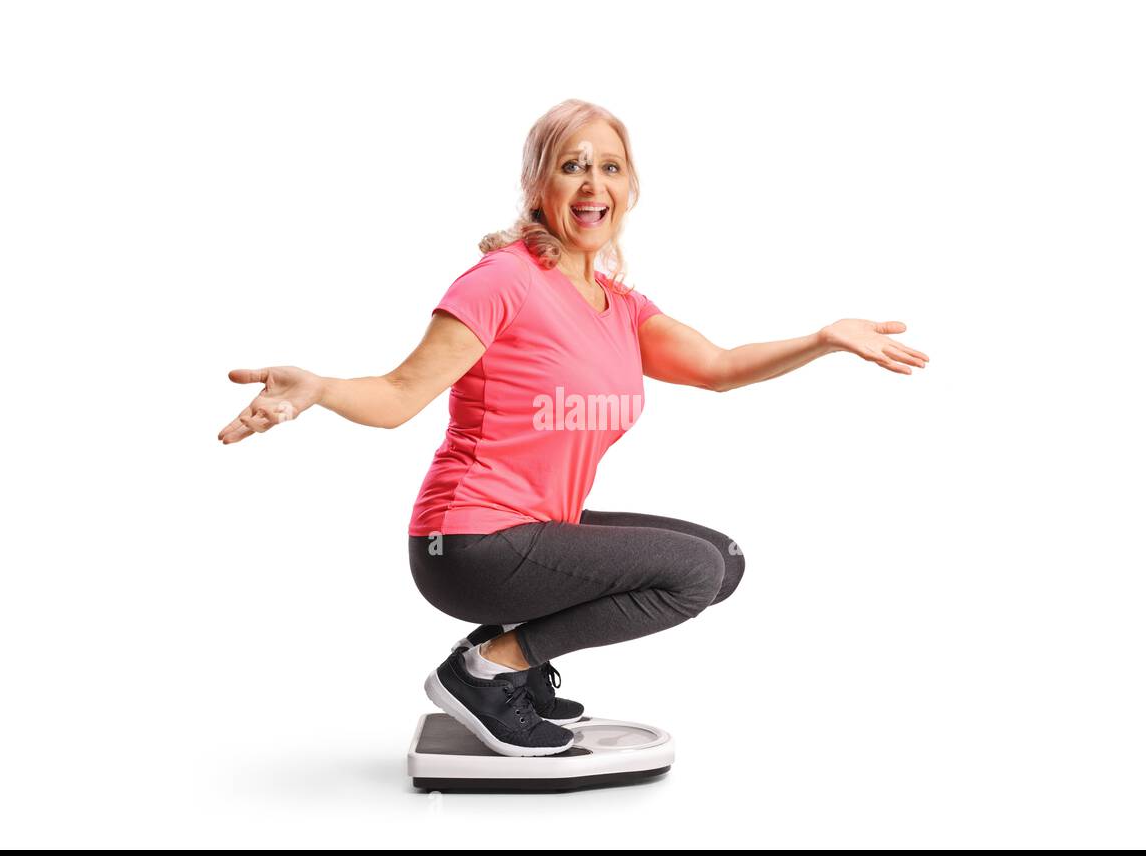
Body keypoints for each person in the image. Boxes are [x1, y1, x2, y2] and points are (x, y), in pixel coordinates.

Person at [217, 99, 929, 758]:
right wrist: (318, 389)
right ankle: (488, 671)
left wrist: (824, 338)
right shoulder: (502, 281)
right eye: (572, 165)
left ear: (631, 189)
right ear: (538, 185)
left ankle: (505, 662)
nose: (593, 184)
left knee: (723, 560)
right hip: (469, 543)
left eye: (609, 167)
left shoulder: (618, 305)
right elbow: (402, 392)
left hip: (528, 532)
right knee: (692, 572)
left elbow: (717, 366)